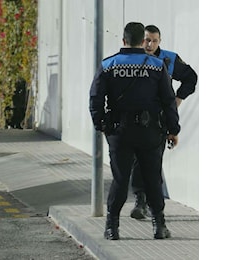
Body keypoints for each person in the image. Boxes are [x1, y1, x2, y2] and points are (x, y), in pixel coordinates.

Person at [89, 22, 180, 240]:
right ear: (142, 42)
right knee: (152, 177)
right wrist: (173, 129)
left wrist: (101, 125)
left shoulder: (108, 65)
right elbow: (168, 101)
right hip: (150, 132)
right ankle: (159, 226)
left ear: (123, 41)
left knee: (120, 179)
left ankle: (112, 227)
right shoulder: (158, 66)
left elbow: (95, 99)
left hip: (119, 131)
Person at [129, 24, 198, 220]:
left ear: (160, 42)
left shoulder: (168, 59)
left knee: (153, 161)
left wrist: (178, 99)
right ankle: (140, 201)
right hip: (136, 118)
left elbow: (191, 78)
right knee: (137, 161)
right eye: (147, 40)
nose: (150, 44)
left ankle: (153, 205)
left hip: (159, 119)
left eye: (154, 41)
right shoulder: (133, 59)